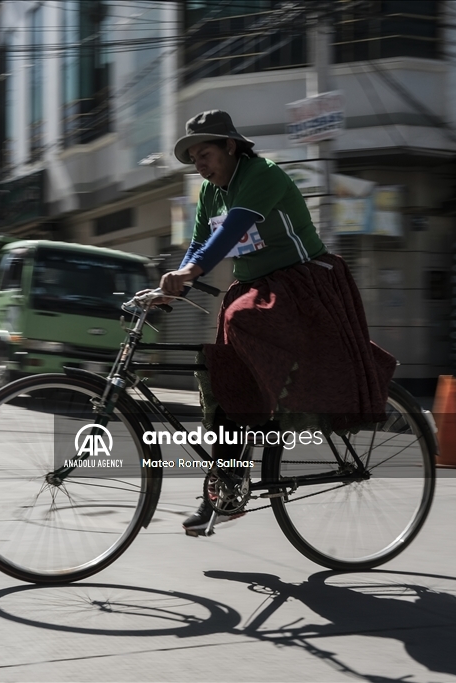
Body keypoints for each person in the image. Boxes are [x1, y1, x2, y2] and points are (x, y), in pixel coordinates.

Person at [160, 110, 396, 534]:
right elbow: (199, 243)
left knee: (239, 315)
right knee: (225, 380)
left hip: (303, 283)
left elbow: (230, 233)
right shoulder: (209, 193)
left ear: (231, 146)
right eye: (193, 158)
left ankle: (265, 415)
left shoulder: (261, 174)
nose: (200, 164)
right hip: (258, 289)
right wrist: (170, 286)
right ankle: (224, 491)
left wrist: (189, 274)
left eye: (206, 154)